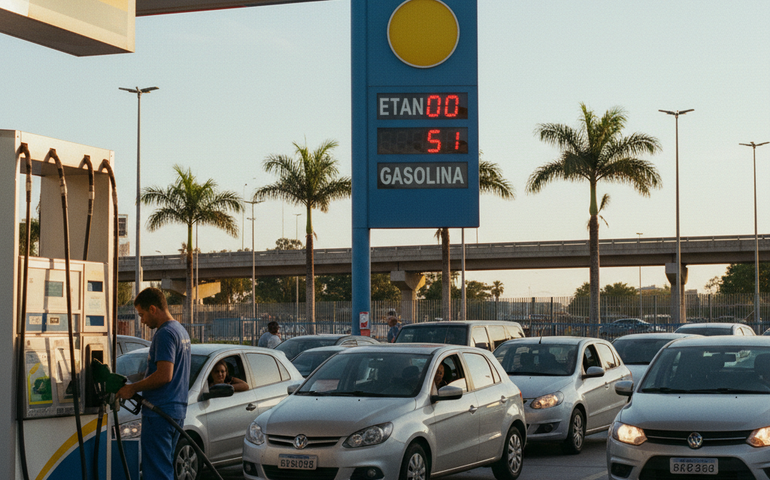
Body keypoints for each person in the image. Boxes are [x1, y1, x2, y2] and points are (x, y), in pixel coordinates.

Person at [116, 287, 191, 480]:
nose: (142, 320)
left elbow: (165, 375)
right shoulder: (180, 331)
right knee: (164, 467)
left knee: (156, 472)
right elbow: (161, 371)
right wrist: (130, 378)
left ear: (152, 309)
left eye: (142, 314)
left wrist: (132, 388)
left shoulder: (165, 333)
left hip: (159, 412)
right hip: (175, 411)